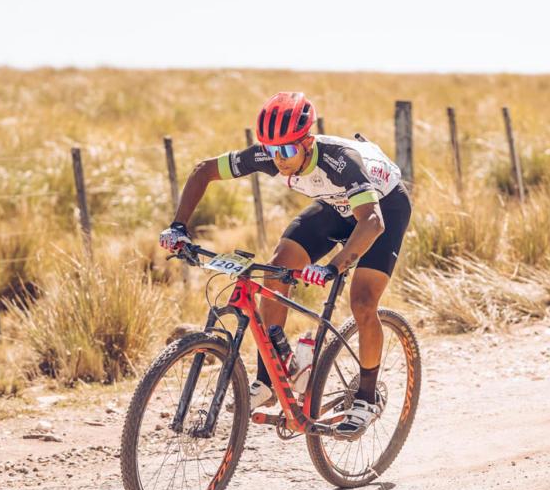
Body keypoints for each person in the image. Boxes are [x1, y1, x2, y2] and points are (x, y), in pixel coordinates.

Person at [158, 92, 411, 436]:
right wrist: (178, 226)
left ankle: (367, 398)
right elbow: (204, 170)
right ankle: (268, 379)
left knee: (363, 302)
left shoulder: (341, 161)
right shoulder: (270, 154)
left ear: (307, 142)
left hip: (383, 209)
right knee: (277, 269)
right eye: (272, 149)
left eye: (288, 150)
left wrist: (333, 267)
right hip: (335, 205)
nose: (279, 159)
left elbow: (372, 222)